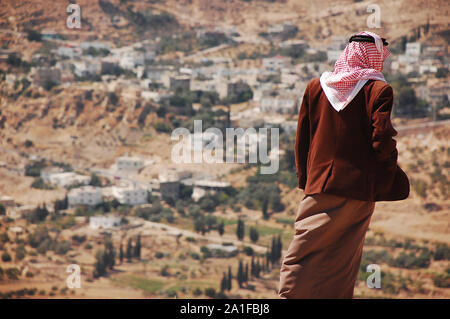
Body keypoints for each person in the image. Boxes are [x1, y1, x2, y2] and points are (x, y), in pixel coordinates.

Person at [278, 31, 410, 299]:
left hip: (319, 188)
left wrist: (306, 182)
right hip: (359, 191)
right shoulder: (378, 90)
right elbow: (382, 141)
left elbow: (302, 140)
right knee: (343, 257)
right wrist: (384, 182)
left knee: (303, 252)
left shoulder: (316, 87)